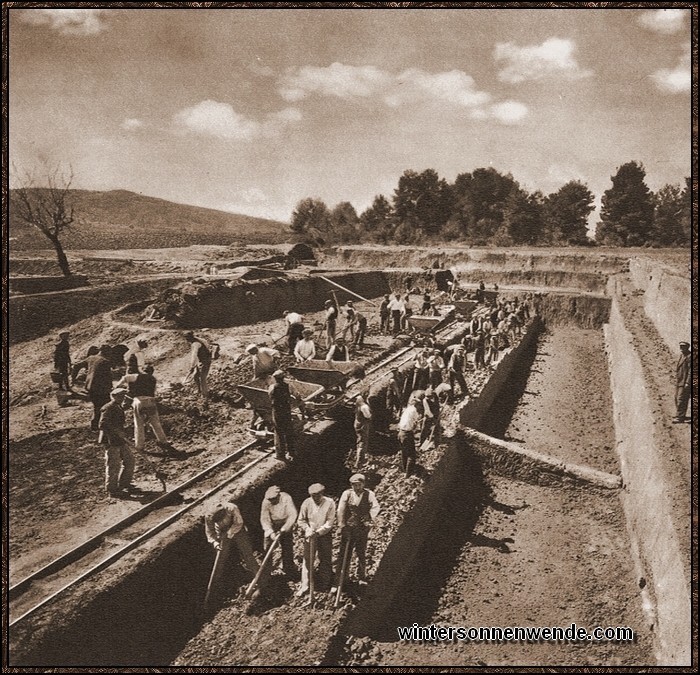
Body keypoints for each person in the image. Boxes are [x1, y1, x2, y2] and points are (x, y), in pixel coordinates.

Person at [205, 500, 259, 605]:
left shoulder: (232, 508)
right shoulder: (208, 517)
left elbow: (239, 523)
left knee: (247, 555)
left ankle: (259, 577)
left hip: (237, 529)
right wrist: (215, 543)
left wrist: (229, 534)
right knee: (220, 561)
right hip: (221, 534)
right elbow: (209, 532)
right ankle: (214, 592)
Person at [334, 474, 380, 590]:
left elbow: (376, 507)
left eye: (359, 485)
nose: (357, 487)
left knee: (361, 552)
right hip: (349, 528)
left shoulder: (369, 494)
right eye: (354, 485)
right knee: (344, 553)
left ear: (363, 484)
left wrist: (369, 517)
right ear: (351, 485)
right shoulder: (347, 494)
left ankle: (362, 577)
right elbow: (340, 510)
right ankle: (340, 579)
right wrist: (342, 525)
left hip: (362, 529)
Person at [116, 364, 173, 454]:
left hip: (139, 401)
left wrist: (118, 386)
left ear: (143, 370)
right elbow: (153, 392)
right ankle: (163, 441)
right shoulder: (153, 379)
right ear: (152, 372)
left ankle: (139, 446)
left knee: (139, 424)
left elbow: (125, 378)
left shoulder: (137, 376)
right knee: (155, 422)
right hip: (150, 401)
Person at [297, 483, 336, 596]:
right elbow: (301, 520)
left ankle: (325, 583)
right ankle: (305, 585)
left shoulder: (330, 503)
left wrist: (319, 532)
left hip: (324, 534)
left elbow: (330, 521)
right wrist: (308, 530)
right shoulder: (307, 503)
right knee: (307, 559)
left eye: (317, 496)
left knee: (325, 558)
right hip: (310, 534)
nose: (315, 498)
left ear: (322, 494)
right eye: (313, 496)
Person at [98, 388, 136, 498]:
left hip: (119, 440)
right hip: (110, 441)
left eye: (124, 396)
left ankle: (124, 483)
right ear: (114, 397)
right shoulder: (108, 408)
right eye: (121, 396)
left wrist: (121, 432)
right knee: (113, 465)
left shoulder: (118, 406)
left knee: (130, 460)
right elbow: (102, 425)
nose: (123, 398)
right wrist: (116, 431)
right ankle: (112, 490)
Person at [260, 485, 299, 579]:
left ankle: (289, 569)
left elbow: (292, 514)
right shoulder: (266, 502)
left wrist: (284, 529)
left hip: (285, 523)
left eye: (274, 499)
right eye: (270, 500)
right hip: (272, 525)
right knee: (267, 548)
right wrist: (271, 533)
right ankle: (266, 572)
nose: (272, 501)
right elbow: (264, 519)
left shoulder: (286, 498)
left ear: (278, 496)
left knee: (287, 547)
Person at [86, 345, 114, 432]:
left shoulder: (91, 358)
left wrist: (73, 379)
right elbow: (108, 377)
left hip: (90, 387)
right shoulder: (105, 361)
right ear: (106, 352)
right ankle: (103, 426)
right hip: (101, 389)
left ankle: (94, 426)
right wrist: (110, 387)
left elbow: (76, 366)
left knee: (96, 407)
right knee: (105, 407)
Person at [269, 370, 295, 461]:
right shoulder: (288, 386)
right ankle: (291, 452)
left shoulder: (272, 387)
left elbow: (270, 396)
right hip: (286, 411)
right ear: (283, 378)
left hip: (277, 411)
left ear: (275, 379)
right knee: (288, 431)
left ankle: (280, 454)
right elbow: (294, 395)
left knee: (279, 432)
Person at [397, 398, 423, 476]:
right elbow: (416, 426)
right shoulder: (414, 411)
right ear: (416, 405)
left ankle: (405, 469)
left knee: (404, 453)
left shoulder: (407, 409)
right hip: (407, 434)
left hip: (400, 433)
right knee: (411, 455)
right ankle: (409, 474)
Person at [184, 331, 212, 399]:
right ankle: (199, 390)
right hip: (202, 361)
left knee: (202, 378)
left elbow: (194, 356)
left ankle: (205, 395)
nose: (186, 340)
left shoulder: (195, 344)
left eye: (187, 338)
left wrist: (192, 366)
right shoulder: (200, 339)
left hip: (205, 362)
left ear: (190, 337)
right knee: (196, 376)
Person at [674, 341, 691, 423]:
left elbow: (691, 371)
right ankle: (680, 414)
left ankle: (680, 417)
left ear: (687, 347)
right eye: (680, 346)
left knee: (682, 399)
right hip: (679, 381)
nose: (681, 347)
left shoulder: (690, 357)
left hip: (685, 382)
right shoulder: (682, 355)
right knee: (677, 398)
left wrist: (688, 382)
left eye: (683, 346)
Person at [354, 394, 372, 469]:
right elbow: (368, 416)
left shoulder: (359, 404)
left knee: (360, 440)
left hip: (357, 423)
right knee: (363, 442)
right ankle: (359, 462)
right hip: (362, 425)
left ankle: (360, 457)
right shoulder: (364, 407)